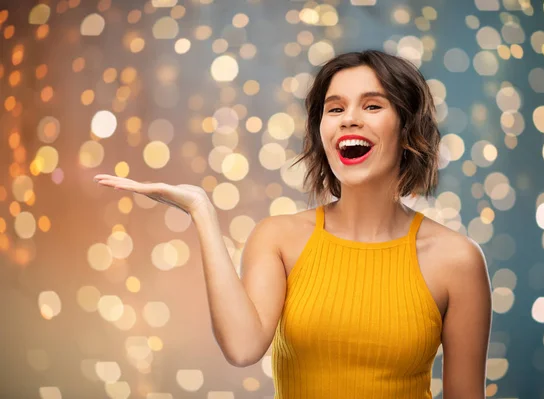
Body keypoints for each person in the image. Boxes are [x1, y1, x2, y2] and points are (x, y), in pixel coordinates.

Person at [94, 49, 492, 399]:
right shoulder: (279, 238)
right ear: (321, 132)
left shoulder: (457, 260)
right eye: (334, 109)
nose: (349, 119)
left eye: (372, 106)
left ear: (408, 131)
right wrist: (201, 210)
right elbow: (243, 347)